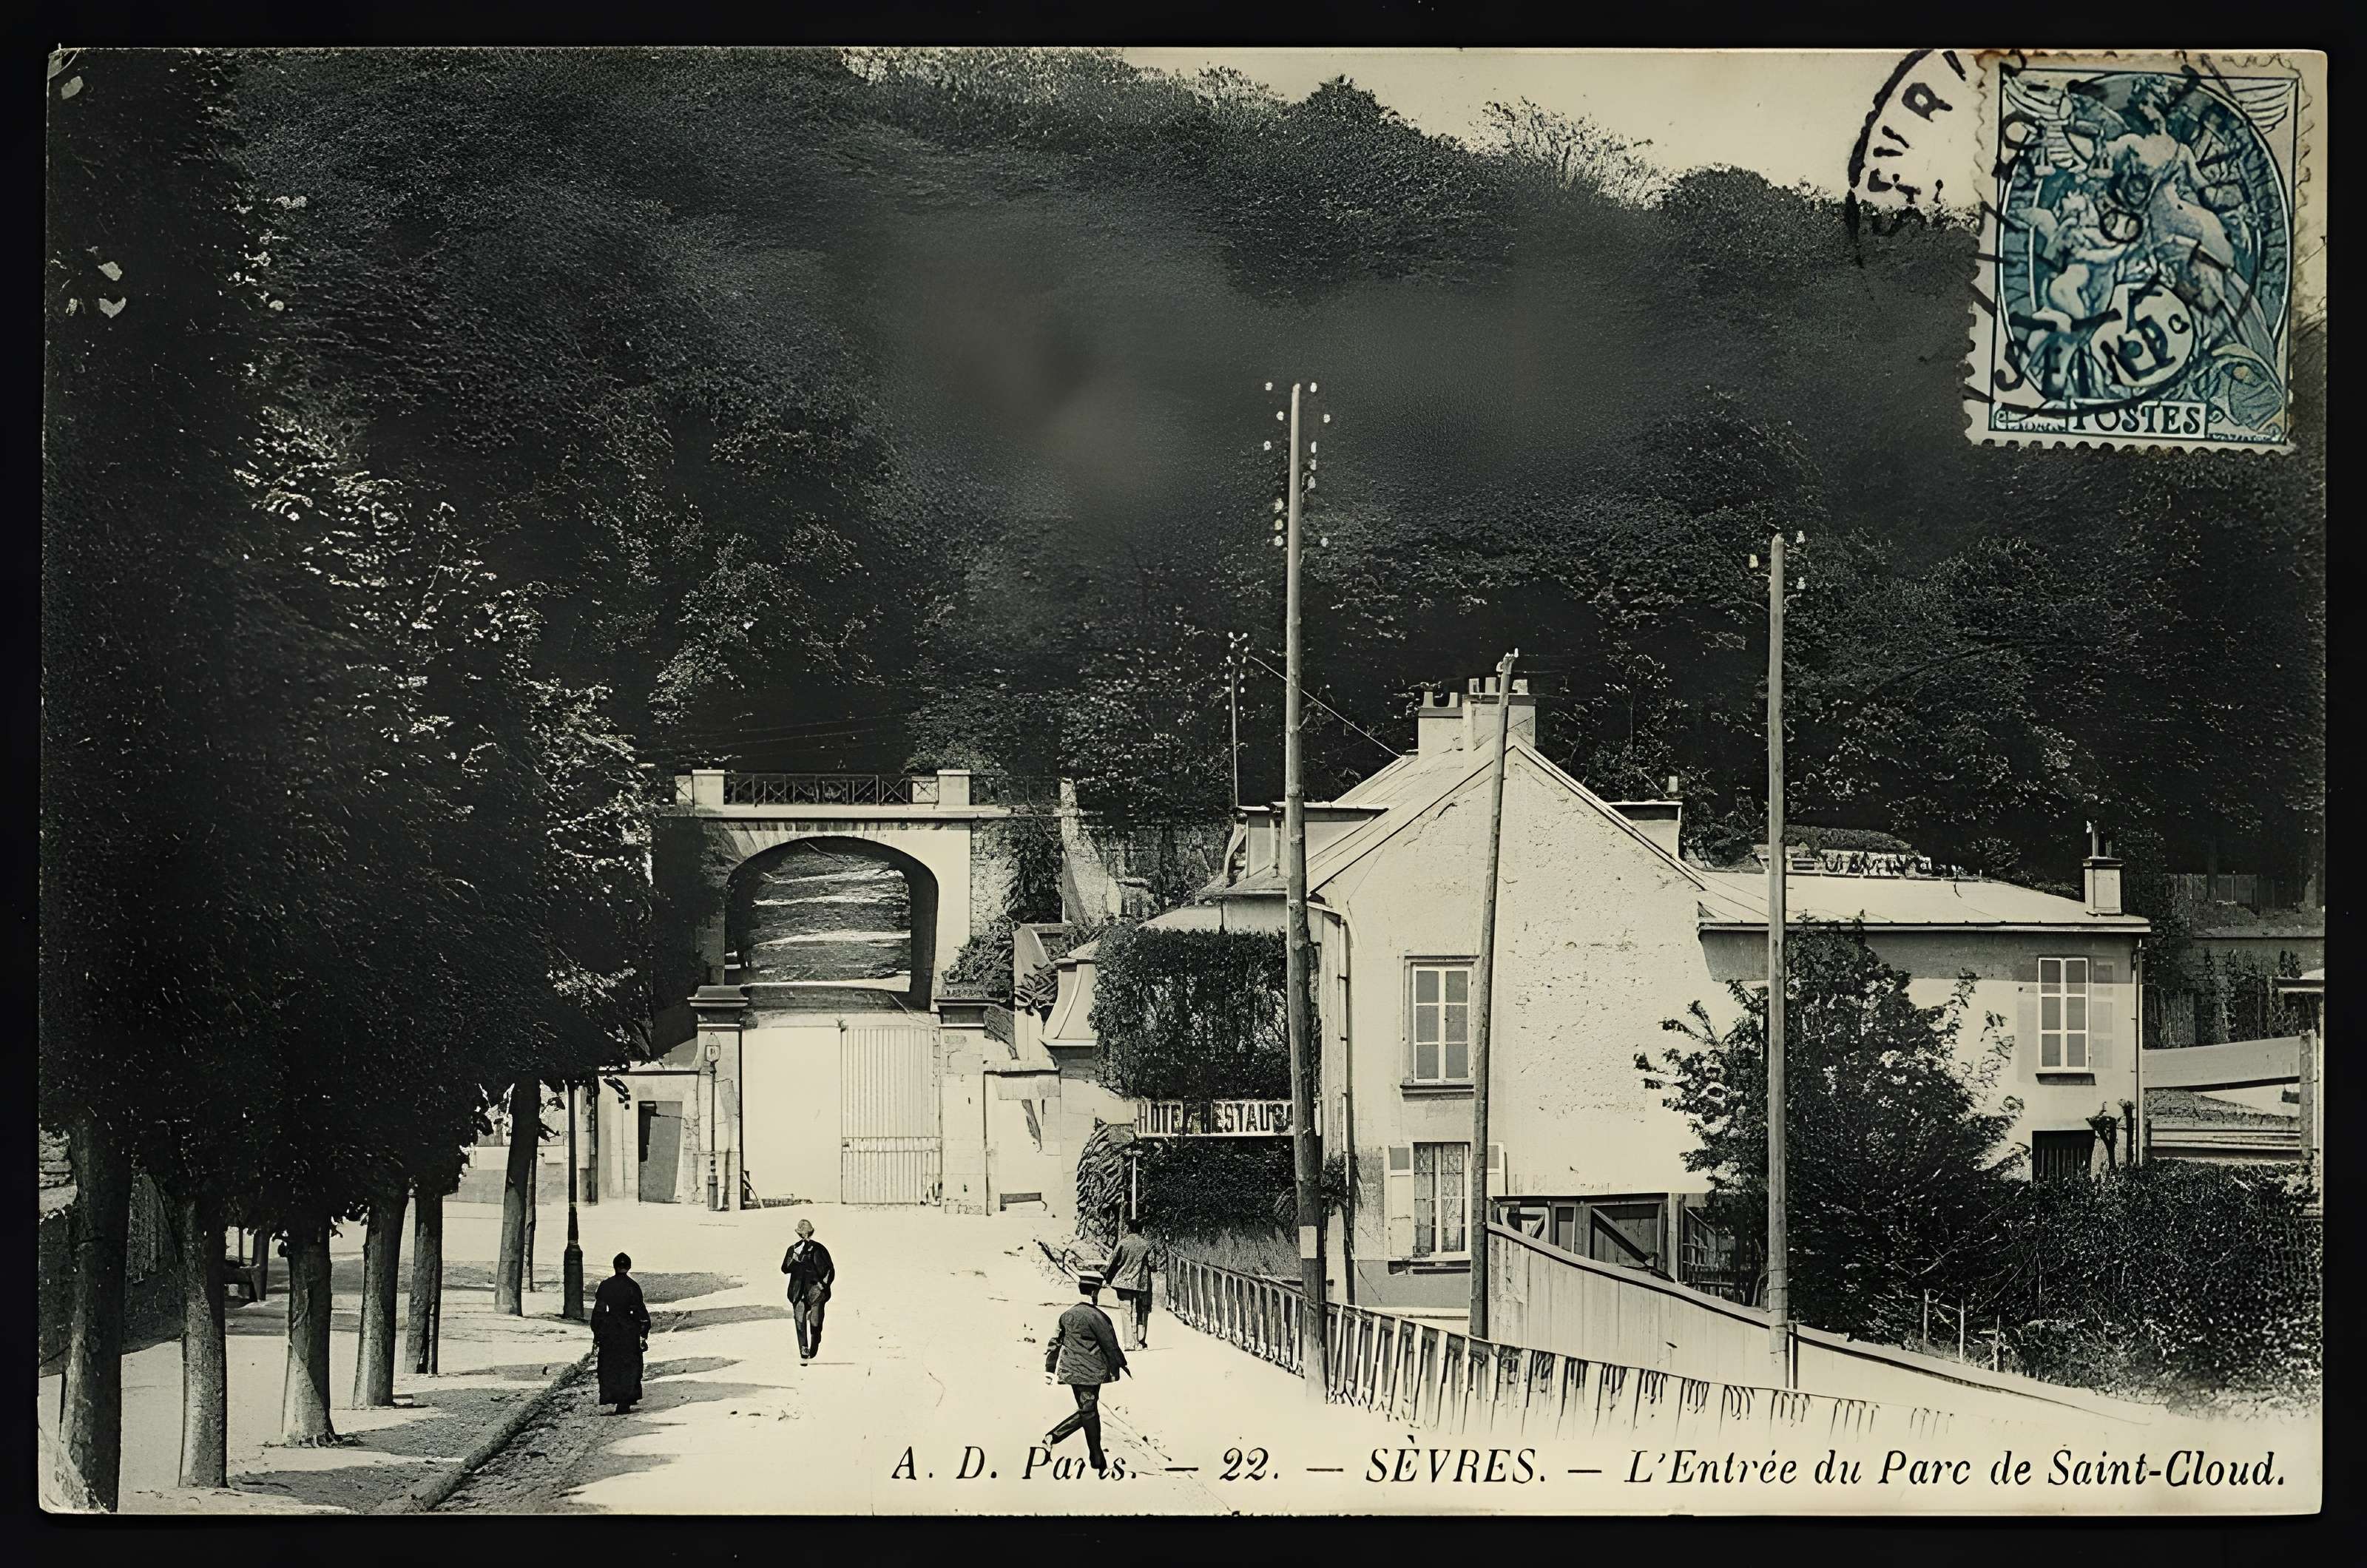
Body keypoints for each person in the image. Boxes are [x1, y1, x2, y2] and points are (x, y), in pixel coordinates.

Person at [1043, 1268, 1129, 1473]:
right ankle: (1096, 1459)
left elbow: (1055, 1342)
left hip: (1071, 1371)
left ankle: (1056, 1439)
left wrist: (1049, 1368)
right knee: (1089, 1410)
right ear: (1095, 1293)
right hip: (1092, 1372)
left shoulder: (1067, 1315)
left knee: (1088, 1409)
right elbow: (1110, 1345)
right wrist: (1119, 1366)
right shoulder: (1098, 1316)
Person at [590, 1252, 651, 1414]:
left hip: (610, 1331)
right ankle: (626, 1400)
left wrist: (597, 1332)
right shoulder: (633, 1286)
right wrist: (643, 1332)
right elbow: (640, 1312)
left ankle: (614, 1396)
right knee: (630, 1366)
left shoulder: (606, 1285)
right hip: (630, 1331)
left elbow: (599, 1311)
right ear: (629, 1267)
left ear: (615, 1266)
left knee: (610, 1365)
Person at [781, 1217, 835, 1365]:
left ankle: (815, 1342)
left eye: (807, 1233)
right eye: (802, 1233)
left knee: (815, 1323)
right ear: (799, 1234)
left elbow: (830, 1269)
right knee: (799, 1321)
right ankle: (803, 1350)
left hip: (816, 1291)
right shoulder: (792, 1249)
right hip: (798, 1291)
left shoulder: (819, 1248)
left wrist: (823, 1285)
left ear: (810, 1233)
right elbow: (785, 1269)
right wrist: (794, 1258)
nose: (804, 1235)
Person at [1104, 1217, 1155, 1350]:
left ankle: (1128, 1343)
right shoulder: (1147, 1244)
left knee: (1126, 1312)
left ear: (1129, 1229)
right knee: (1140, 1310)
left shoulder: (1123, 1243)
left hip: (1123, 1283)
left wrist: (1107, 1277)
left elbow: (1113, 1262)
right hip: (1140, 1283)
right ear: (1141, 1230)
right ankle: (1140, 1341)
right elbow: (1153, 1264)